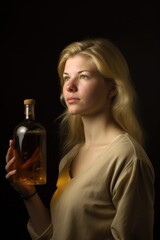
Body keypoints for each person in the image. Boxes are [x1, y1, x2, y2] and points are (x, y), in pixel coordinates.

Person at [5, 37, 155, 240]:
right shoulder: (72, 156)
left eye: (83, 76)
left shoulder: (128, 158)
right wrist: (28, 193)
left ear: (112, 88)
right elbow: (56, 234)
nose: (70, 87)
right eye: (66, 78)